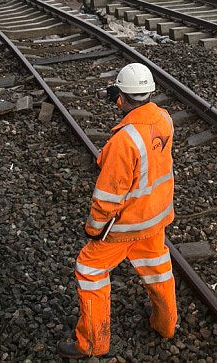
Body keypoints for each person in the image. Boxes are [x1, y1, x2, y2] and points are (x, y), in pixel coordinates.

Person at [58, 62, 177, 359]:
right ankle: (166, 325)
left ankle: (93, 343)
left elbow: (108, 197)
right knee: (159, 269)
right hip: (155, 218)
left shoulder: (124, 140)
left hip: (124, 227)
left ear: (121, 97)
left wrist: (94, 229)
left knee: (89, 270)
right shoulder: (164, 119)